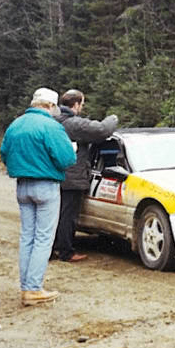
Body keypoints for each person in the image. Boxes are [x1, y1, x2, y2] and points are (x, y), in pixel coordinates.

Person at [0, 87, 77, 306]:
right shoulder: (51, 126)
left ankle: (26, 287)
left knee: (27, 237)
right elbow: (66, 159)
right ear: (50, 106)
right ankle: (33, 289)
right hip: (46, 186)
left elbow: (4, 153)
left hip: (22, 186)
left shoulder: (16, 124)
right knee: (43, 238)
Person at [52, 89, 118, 262]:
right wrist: (113, 118)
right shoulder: (73, 123)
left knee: (54, 214)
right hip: (72, 177)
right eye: (82, 104)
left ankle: (51, 250)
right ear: (75, 105)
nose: (82, 107)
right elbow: (103, 130)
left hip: (54, 175)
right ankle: (65, 251)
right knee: (68, 216)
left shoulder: (53, 120)